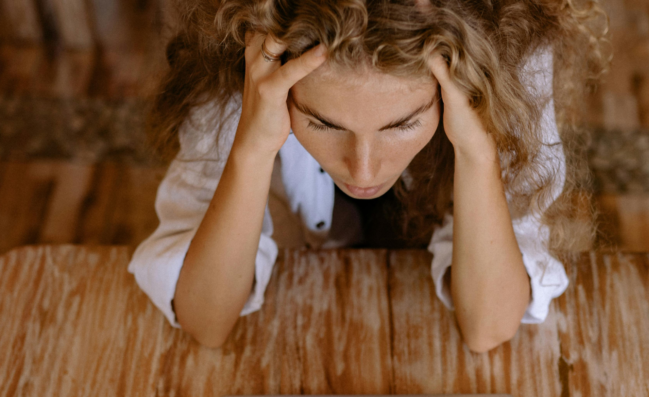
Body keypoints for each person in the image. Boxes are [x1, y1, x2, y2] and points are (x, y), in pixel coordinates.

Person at [129, 0, 611, 351]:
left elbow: (489, 327)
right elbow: (205, 321)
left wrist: (478, 153)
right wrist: (251, 147)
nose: (363, 169)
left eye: (402, 124)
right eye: (323, 123)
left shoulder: (508, 56)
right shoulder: (248, 56)